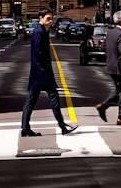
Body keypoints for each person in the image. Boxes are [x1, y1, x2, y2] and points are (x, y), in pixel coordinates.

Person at [20, 9, 78, 137]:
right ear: (41, 18)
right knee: (54, 99)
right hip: (42, 74)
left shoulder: (42, 31)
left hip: (38, 74)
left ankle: (25, 128)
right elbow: (37, 53)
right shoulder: (39, 31)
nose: (50, 21)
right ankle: (62, 127)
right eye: (48, 18)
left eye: (51, 18)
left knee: (30, 101)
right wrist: (44, 71)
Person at [96, 9, 121, 126]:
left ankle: (103, 106)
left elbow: (104, 47)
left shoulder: (110, 32)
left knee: (119, 91)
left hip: (112, 66)